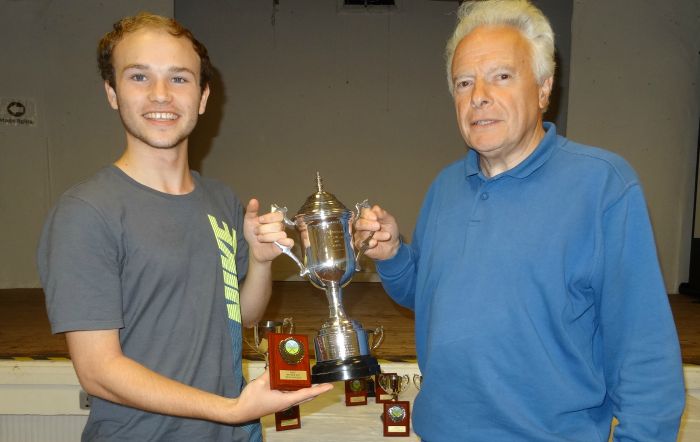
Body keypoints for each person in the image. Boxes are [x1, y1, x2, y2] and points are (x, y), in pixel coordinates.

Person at [354, 1, 685, 440]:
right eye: (464, 82)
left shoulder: (603, 186)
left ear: (544, 89)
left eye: (502, 76)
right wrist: (395, 255)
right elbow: (434, 298)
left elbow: (646, 357)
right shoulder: (445, 187)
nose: (478, 96)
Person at [37, 12, 332, 441]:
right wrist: (231, 410)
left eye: (179, 79)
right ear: (112, 93)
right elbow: (98, 371)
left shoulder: (221, 201)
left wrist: (263, 264)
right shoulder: (86, 212)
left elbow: (243, 315)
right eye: (139, 77)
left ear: (203, 96)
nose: (161, 95)